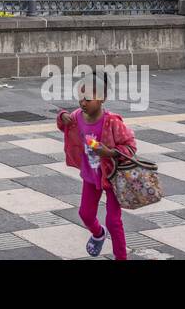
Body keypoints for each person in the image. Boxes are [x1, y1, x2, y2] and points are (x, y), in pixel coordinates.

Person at [55, 71, 137, 260]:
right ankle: (99, 234)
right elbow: (64, 125)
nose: (83, 103)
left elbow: (131, 146)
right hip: (91, 176)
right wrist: (62, 116)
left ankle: (121, 257)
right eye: (81, 98)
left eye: (88, 99)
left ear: (102, 98)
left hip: (111, 177)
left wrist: (110, 152)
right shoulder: (77, 117)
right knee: (85, 213)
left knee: (114, 221)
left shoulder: (112, 122)